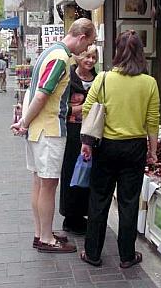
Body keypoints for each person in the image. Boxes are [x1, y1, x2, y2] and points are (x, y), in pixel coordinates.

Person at [10, 18, 96, 254]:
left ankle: (41, 233)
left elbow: (34, 92)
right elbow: (41, 95)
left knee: (39, 183)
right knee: (48, 185)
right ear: (82, 38)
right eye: (87, 43)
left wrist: (25, 121)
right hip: (49, 130)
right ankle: (46, 238)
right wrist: (24, 122)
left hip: (39, 129)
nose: (84, 51)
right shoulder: (60, 58)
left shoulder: (49, 52)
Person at [80, 30, 160, 268]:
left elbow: (87, 109)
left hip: (105, 146)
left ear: (117, 51)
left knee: (99, 199)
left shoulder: (103, 78)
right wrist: (153, 151)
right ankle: (127, 255)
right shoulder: (149, 83)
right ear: (140, 54)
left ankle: (92, 253)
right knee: (128, 201)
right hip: (135, 148)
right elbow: (152, 120)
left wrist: (87, 143)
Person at [60, 45, 98, 235]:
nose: (90, 60)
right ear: (77, 57)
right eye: (87, 56)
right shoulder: (68, 79)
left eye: (94, 57)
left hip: (94, 134)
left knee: (89, 173)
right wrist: (82, 109)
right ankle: (70, 216)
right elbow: (60, 107)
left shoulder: (99, 80)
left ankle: (86, 214)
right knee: (71, 173)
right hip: (73, 133)